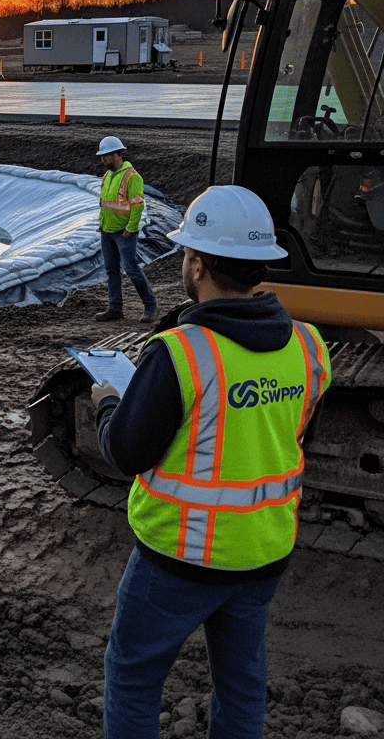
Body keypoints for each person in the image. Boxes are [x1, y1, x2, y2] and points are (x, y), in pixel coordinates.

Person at [91, 186, 331, 739]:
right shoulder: (309, 347)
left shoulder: (181, 352)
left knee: (132, 678)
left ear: (196, 263)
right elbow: (293, 438)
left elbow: (127, 451)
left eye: (185, 255)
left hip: (178, 557)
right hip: (265, 551)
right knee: (242, 682)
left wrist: (109, 403)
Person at [94, 135, 158, 323]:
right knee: (111, 271)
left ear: (116, 155)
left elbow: (137, 205)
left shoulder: (132, 177)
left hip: (124, 233)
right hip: (107, 231)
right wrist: (103, 225)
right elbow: (105, 203)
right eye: (102, 156)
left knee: (132, 269)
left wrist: (130, 229)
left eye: (106, 156)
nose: (103, 159)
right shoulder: (107, 176)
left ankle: (150, 306)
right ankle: (115, 308)